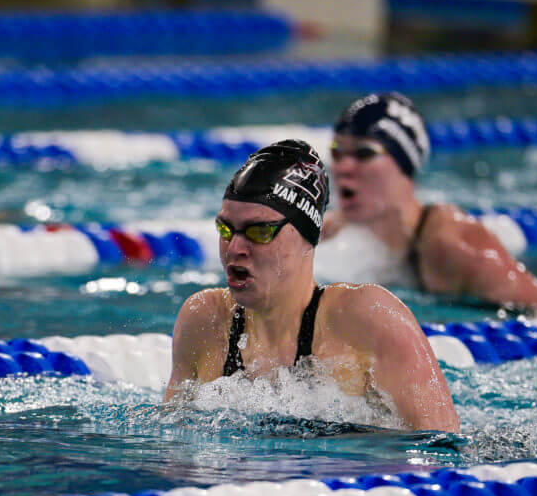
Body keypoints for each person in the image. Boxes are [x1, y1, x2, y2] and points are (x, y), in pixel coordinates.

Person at [164, 139, 458, 432]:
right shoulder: (203, 320)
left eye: (259, 231)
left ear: (307, 236)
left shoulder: (370, 319)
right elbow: (171, 446)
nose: (234, 248)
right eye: (225, 229)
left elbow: (440, 449)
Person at [322, 92, 537, 312]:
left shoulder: (455, 246)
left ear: (406, 166)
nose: (342, 167)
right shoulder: (340, 228)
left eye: (364, 153)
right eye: (337, 152)